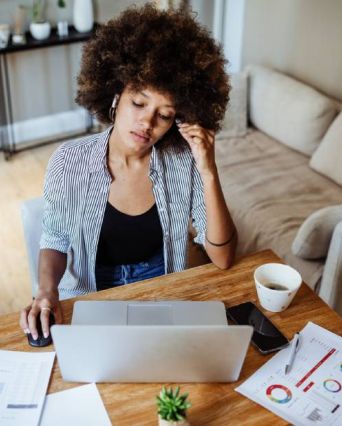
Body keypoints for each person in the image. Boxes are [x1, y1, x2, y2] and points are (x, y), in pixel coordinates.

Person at [19, 4, 236, 338]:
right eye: (139, 103)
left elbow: (222, 258)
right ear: (117, 93)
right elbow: (56, 238)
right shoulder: (68, 161)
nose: (147, 123)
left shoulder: (182, 160)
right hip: (93, 293)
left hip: (162, 289)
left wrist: (208, 170)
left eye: (164, 115)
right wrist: (47, 291)